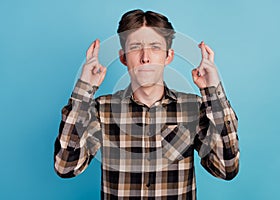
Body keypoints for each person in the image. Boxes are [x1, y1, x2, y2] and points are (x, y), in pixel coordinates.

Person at [54, 9, 239, 199]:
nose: (145, 57)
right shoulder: (102, 109)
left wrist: (213, 93)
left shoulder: (193, 108)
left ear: (169, 56)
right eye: (135, 47)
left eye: (155, 47)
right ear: (123, 57)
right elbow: (65, 167)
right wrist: (83, 90)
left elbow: (226, 168)